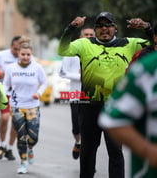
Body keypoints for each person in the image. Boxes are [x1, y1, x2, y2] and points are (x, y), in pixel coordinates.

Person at [57, 11, 153, 178]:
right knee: (87, 152)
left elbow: (154, 44)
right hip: (89, 107)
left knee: (116, 153)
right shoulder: (85, 44)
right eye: (100, 26)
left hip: (114, 107)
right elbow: (62, 49)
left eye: (108, 25)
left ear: (115, 28)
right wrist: (71, 28)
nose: (104, 29)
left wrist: (147, 28)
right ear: (95, 29)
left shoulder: (129, 44)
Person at [98, 51, 157, 178]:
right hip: (149, 172)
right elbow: (112, 120)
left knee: (115, 154)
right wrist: (148, 151)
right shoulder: (146, 69)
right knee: (90, 150)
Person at [3, 36, 47, 174]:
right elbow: (5, 84)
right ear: (18, 54)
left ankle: (31, 148)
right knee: (21, 137)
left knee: (33, 137)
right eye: (23, 54)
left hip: (33, 106)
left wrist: (38, 93)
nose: (26, 57)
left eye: (28, 54)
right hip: (16, 106)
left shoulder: (37, 67)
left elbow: (44, 82)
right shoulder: (11, 68)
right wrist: (6, 95)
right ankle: (23, 163)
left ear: (31, 54)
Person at [59, 27, 95, 160]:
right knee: (76, 126)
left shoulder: (99, 52)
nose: (89, 36)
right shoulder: (72, 51)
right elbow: (62, 72)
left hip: (92, 95)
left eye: (91, 34)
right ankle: (78, 142)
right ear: (81, 37)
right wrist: (78, 76)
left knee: (90, 126)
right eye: (86, 34)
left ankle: (88, 157)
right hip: (76, 94)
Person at [0, 35, 21, 161]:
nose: (17, 52)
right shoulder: (1, 55)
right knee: (4, 118)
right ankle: (2, 145)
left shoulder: (26, 56)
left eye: (19, 49)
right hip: (4, 91)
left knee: (15, 122)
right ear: (11, 47)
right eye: (15, 49)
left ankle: (9, 148)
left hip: (19, 93)